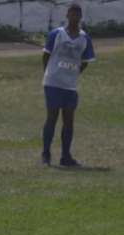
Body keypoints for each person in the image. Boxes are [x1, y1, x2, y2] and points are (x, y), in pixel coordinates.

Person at [40, 3, 95, 167]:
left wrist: (74, 74)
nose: (75, 18)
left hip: (69, 85)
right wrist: (50, 73)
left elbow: (85, 61)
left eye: (78, 15)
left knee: (69, 119)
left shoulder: (85, 38)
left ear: (81, 17)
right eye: (73, 15)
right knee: (52, 116)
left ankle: (65, 156)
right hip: (53, 82)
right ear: (67, 16)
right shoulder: (56, 34)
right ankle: (46, 155)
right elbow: (46, 56)